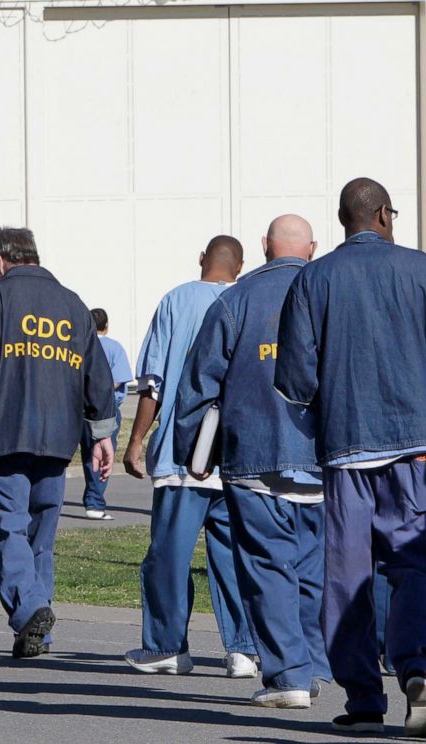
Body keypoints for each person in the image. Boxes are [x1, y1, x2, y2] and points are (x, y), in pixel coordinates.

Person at [275, 178, 426, 736]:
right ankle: (416, 666)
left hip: (344, 449)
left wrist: (321, 420)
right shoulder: (421, 269)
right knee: (414, 561)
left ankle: (364, 699)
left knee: (347, 574)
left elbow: (293, 379)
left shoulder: (314, 277)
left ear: (343, 219)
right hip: (416, 448)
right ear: (385, 214)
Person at [175, 215, 329, 709]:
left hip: (255, 454)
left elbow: (200, 382)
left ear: (264, 247)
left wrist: (190, 450)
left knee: (266, 567)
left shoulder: (235, 300)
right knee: (311, 568)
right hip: (322, 457)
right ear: (312, 248)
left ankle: (288, 675)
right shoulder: (328, 293)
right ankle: (313, 665)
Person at [0, 227, 117, 658]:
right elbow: (97, 374)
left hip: (5, 433)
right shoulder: (74, 304)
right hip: (57, 438)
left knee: (8, 526)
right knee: (41, 534)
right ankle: (38, 630)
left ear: (2, 261)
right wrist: (102, 434)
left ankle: (32, 606)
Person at [122, 236, 256, 678]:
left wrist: (137, 439)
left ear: (202, 259)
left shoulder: (176, 301)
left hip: (185, 451)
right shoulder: (247, 299)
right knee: (234, 553)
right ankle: (242, 648)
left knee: (169, 553)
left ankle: (166, 645)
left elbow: (153, 382)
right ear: (241, 265)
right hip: (238, 451)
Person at [79, 309, 132, 520]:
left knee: (86, 455)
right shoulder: (114, 347)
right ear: (106, 325)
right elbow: (117, 380)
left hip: (79, 409)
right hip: (106, 411)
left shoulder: (81, 345)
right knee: (101, 456)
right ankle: (95, 503)